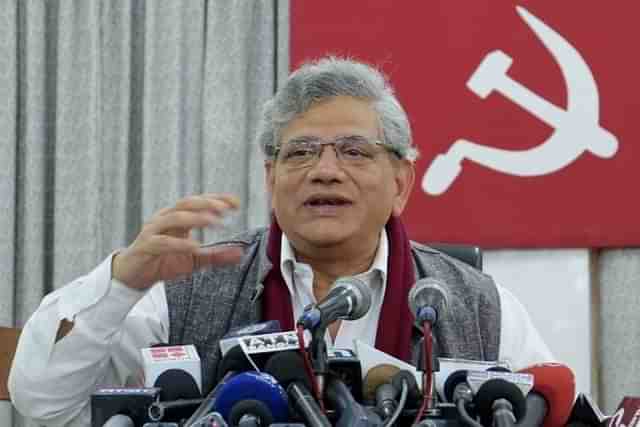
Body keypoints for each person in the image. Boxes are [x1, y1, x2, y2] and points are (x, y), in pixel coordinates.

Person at [9, 57, 552, 427]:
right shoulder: (188, 285)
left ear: (401, 183)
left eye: (355, 152)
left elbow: (551, 407)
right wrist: (124, 279)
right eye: (300, 152)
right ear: (271, 179)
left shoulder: (480, 304)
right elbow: (42, 400)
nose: (325, 171)